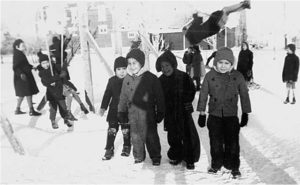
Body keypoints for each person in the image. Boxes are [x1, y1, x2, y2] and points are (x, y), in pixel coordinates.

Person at [197, 47, 251, 178]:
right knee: (215, 142)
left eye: (227, 63)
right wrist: (202, 113)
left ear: (231, 64)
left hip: (231, 115)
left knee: (232, 143)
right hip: (214, 115)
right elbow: (203, 95)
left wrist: (245, 113)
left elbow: (244, 95)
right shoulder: (210, 76)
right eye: (220, 62)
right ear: (215, 62)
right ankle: (216, 164)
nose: (223, 66)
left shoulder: (237, 76)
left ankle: (233, 166)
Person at [118, 49, 165, 166]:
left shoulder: (151, 78)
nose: (132, 66)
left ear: (141, 63)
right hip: (132, 114)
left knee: (151, 136)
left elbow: (159, 96)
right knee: (135, 136)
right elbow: (123, 97)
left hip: (148, 114)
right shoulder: (127, 79)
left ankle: (155, 156)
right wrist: (121, 112)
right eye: (129, 63)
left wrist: (160, 111)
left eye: (134, 63)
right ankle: (138, 156)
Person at [156, 50, 200, 170]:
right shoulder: (160, 81)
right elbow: (158, 96)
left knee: (187, 135)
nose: (165, 69)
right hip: (170, 113)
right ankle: (176, 155)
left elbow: (191, 90)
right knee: (173, 136)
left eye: (167, 66)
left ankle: (190, 158)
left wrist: (187, 101)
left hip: (183, 112)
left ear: (173, 64)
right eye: (162, 66)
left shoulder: (183, 76)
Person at [100, 56, 131, 160]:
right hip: (113, 110)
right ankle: (109, 148)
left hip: (126, 111)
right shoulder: (112, 81)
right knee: (112, 130)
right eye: (119, 69)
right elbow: (107, 94)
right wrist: (103, 107)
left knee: (126, 130)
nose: (121, 72)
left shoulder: (130, 80)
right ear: (115, 70)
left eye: (124, 69)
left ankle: (126, 146)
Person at [184, 0, 251, 45]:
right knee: (225, 9)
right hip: (214, 22)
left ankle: (244, 6)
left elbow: (198, 22)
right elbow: (198, 20)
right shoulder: (193, 30)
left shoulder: (195, 40)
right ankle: (244, 4)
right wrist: (195, 15)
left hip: (216, 28)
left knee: (227, 12)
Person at [37, 52, 73, 129]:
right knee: (53, 109)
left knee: (63, 107)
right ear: (40, 64)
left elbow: (62, 69)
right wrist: (58, 77)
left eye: (47, 62)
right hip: (51, 94)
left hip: (60, 92)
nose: (46, 64)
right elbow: (46, 82)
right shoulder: (42, 72)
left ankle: (65, 119)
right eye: (43, 63)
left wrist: (64, 70)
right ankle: (53, 120)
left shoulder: (54, 67)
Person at [12, 39, 41, 116]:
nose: (24, 46)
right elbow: (15, 67)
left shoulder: (20, 53)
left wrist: (32, 67)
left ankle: (17, 109)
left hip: (24, 76)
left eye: (24, 45)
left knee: (22, 94)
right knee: (28, 92)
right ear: (16, 46)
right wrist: (21, 74)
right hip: (22, 78)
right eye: (22, 45)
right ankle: (31, 110)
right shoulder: (17, 54)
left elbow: (25, 64)